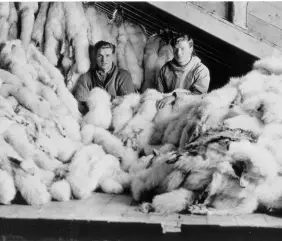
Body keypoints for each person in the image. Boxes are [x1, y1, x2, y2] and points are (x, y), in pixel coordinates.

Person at [73, 40, 135, 114]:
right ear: (95, 57)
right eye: (100, 56)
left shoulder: (124, 75)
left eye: (107, 55)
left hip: (118, 118)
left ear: (112, 56)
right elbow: (79, 104)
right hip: (92, 119)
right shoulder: (86, 77)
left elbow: (130, 103)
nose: (104, 60)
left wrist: (109, 98)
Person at [155, 34, 210, 109]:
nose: (178, 53)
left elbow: (199, 96)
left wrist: (175, 97)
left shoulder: (201, 70)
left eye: (182, 48)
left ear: (190, 49)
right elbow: (159, 94)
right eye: (176, 49)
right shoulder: (165, 69)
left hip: (188, 111)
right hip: (166, 109)